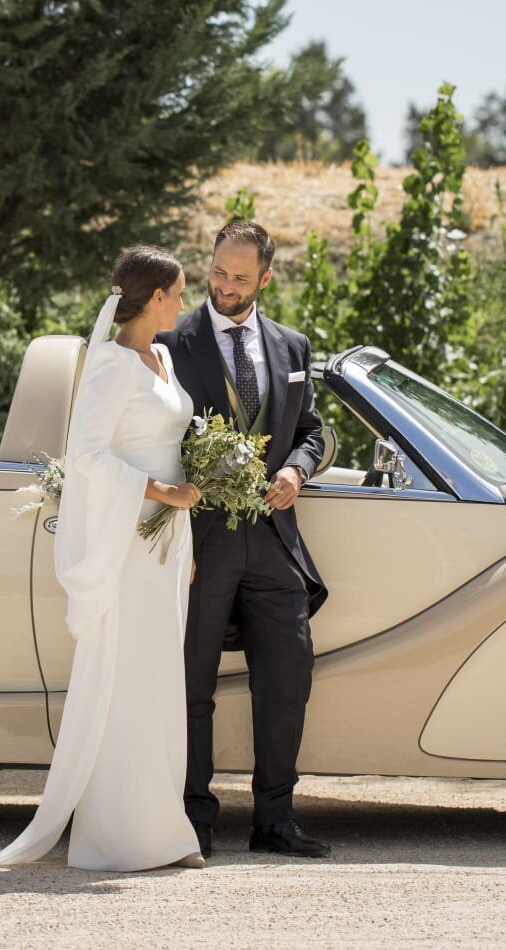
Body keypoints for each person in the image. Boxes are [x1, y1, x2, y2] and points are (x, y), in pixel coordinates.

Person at [0, 245, 204, 872]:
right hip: (125, 539)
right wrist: (161, 493)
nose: (185, 303)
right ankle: (117, 836)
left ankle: (164, 828)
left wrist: (183, 529)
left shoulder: (161, 357)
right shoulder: (108, 364)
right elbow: (87, 457)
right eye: (179, 292)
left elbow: (168, 442)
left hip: (167, 542)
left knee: (161, 678)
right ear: (154, 297)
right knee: (125, 675)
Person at [158, 219, 330, 860]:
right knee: (191, 680)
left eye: (239, 276)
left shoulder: (292, 347)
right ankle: (192, 815)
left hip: (275, 542)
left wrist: (296, 469)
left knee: (288, 676)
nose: (225, 286)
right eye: (217, 271)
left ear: (265, 276)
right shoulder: (174, 342)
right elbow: (155, 438)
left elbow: (312, 430)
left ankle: (274, 821)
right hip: (201, 544)